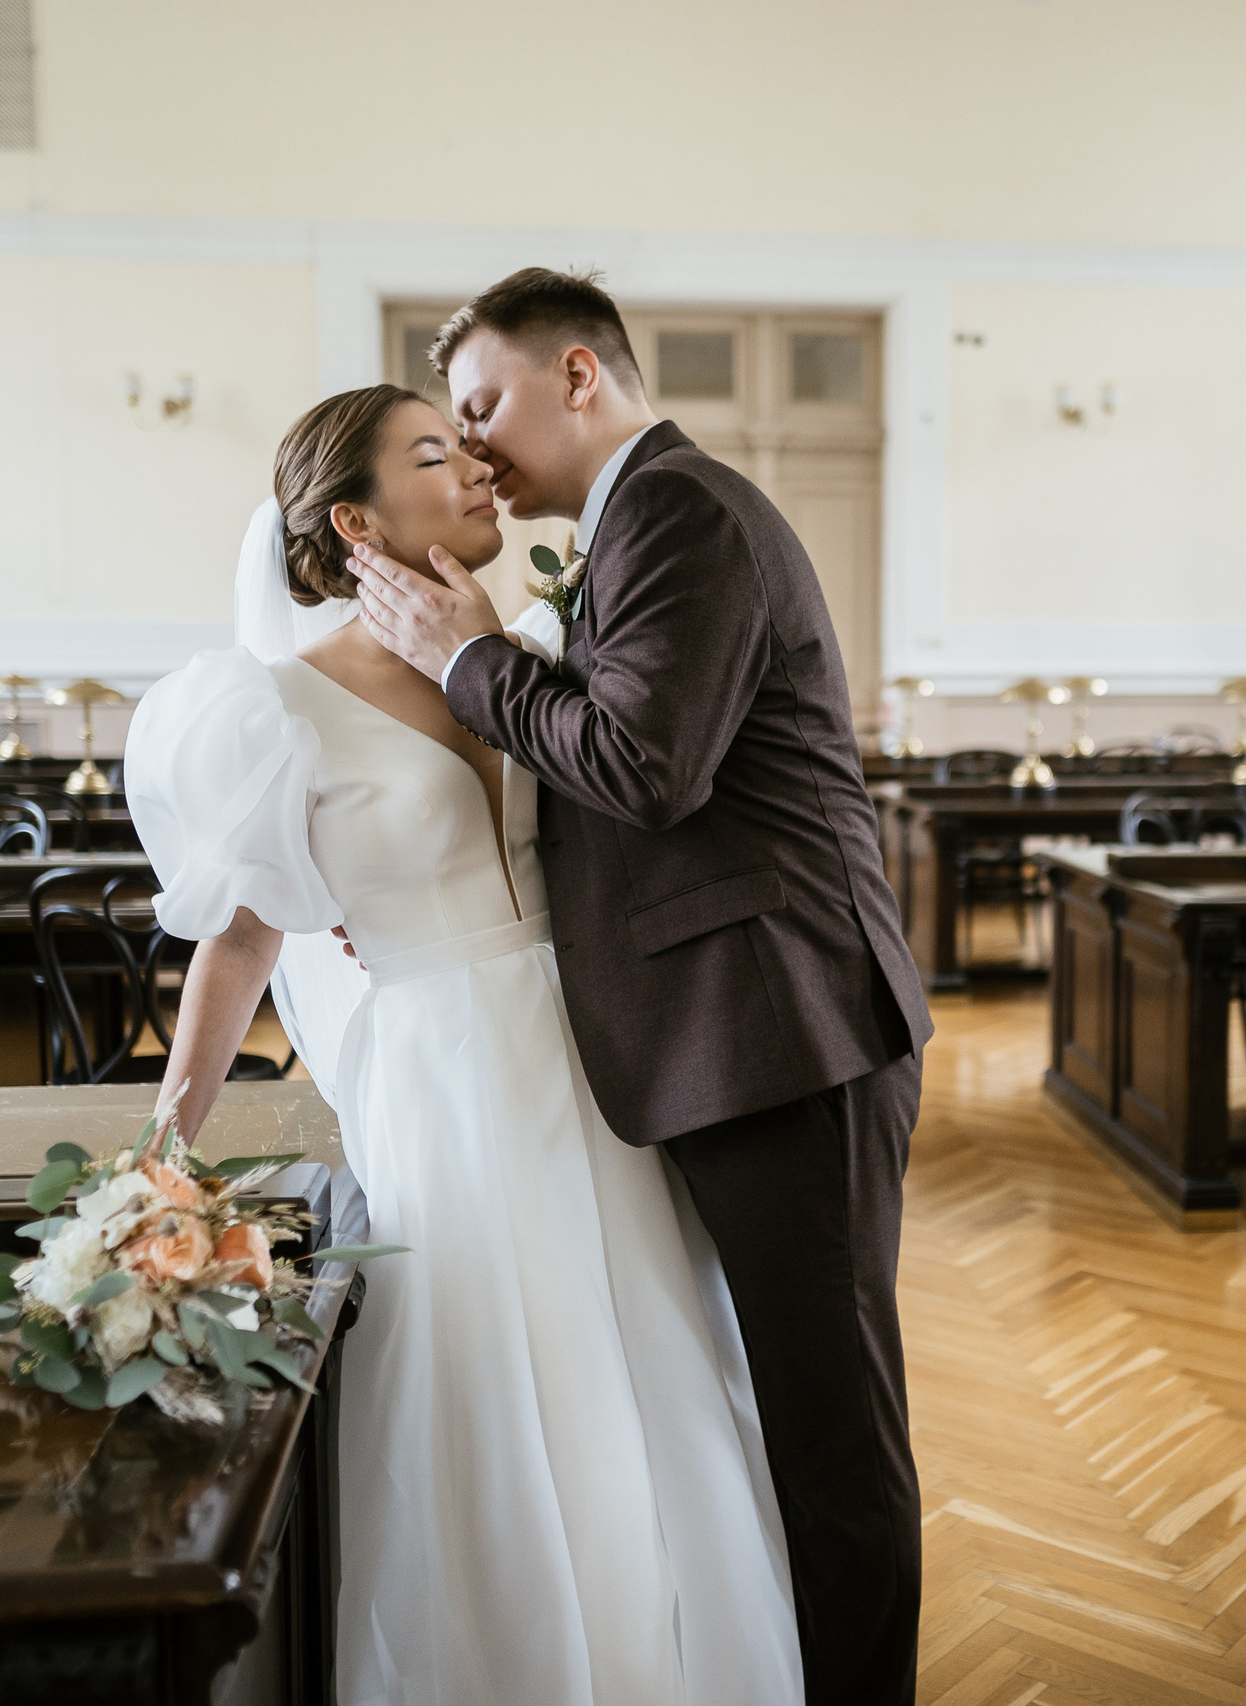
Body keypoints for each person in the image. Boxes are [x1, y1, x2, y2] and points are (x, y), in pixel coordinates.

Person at [122, 383, 803, 1706]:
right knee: (503, 1377)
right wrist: (162, 1148)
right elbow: (244, 946)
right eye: (438, 453)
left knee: (648, 1365)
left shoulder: (534, 647)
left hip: (599, 1058)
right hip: (446, 1076)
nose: (480, 465)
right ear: (354, 520)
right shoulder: (271, 709)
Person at [341, 267, 934, 1706]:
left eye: (484, 405)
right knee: (789, 1407)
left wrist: (469, 651)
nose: (474, 445)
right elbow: (626, 771)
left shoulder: (683, 512)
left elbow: (645, 768)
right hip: (733, 1032)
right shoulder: (633, 531)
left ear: (581, 378)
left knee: (834, 1431)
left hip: (787, 1029)